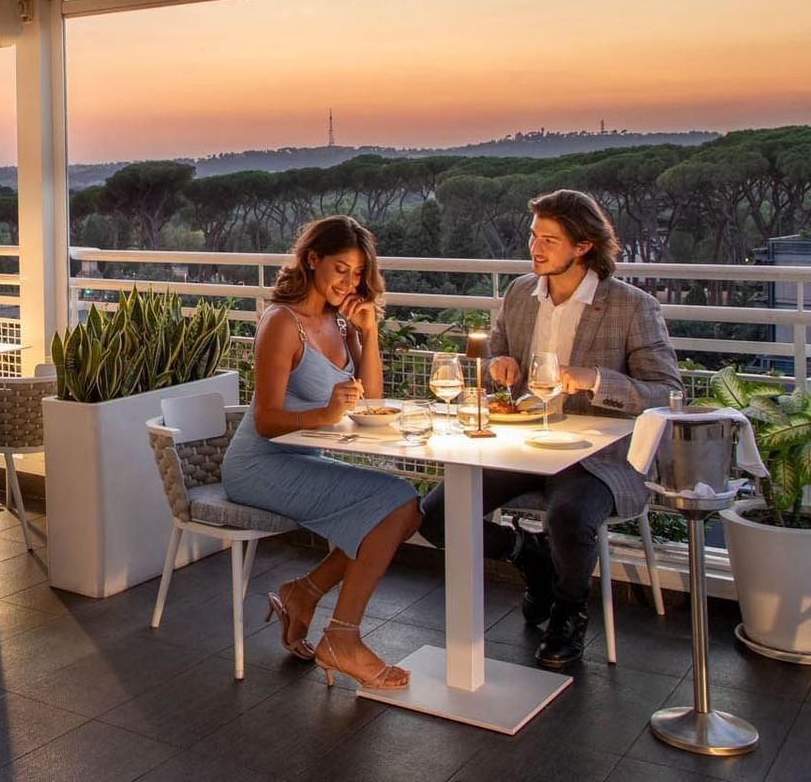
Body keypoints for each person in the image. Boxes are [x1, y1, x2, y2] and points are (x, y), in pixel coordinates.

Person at [419, 188, 680, 669]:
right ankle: (528, 556)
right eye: (534, 237)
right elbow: (497, 350)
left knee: (569, 517)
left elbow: (665, 392)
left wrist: (597, 380)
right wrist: (500, 364)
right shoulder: (520, 293)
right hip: (522, 443)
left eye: (549, 240)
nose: (535, 249)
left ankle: (567, 610)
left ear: (583, 246)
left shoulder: (631, 306)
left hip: (595, 454)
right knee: (435, 515)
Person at [221, 216, 422, 689]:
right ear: (312, 260)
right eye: (339, 269)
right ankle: (343, 639)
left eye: (357, 274)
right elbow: (268, 420)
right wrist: (324, 415)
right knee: (399, 504)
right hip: (258, 465)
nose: (348, 283)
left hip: (302, 460)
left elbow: (371, 400)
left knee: (407, 512)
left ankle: (303, 593)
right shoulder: (281, 323)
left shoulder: (340, 319)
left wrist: (368, 332)